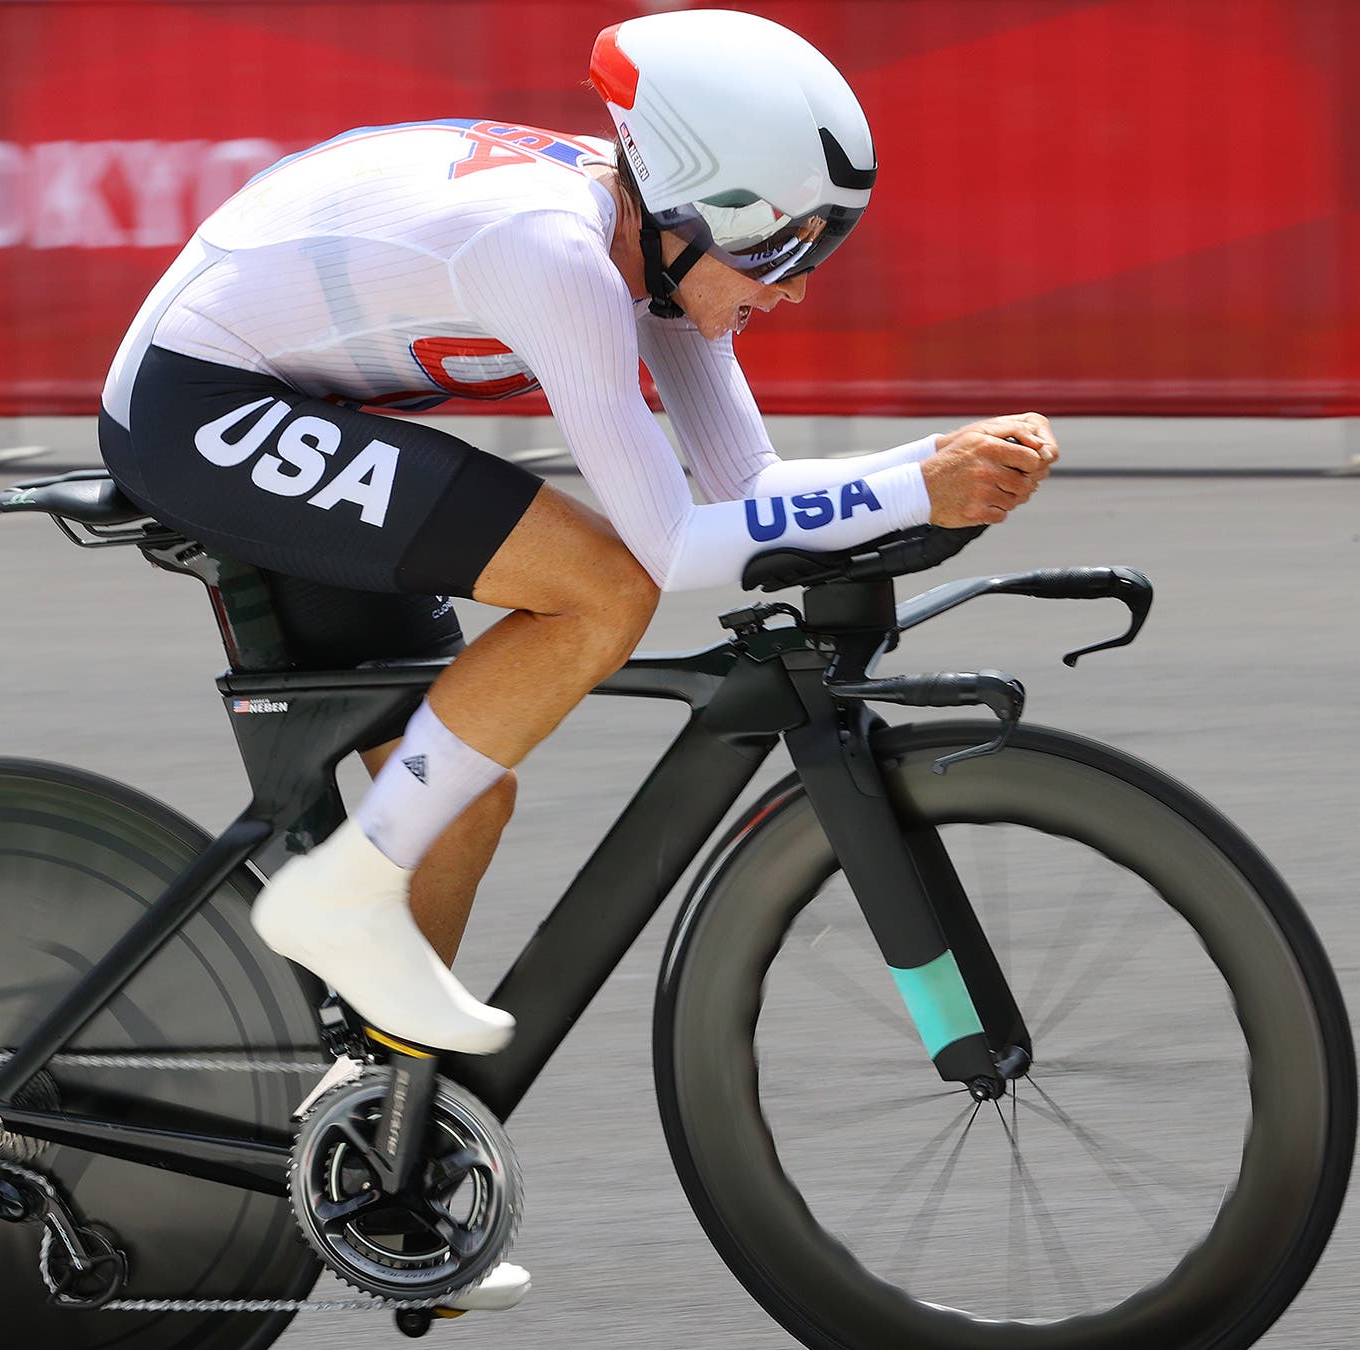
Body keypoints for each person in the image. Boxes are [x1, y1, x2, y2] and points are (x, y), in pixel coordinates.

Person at [97, 8, 1056, 1310]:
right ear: (688, 208)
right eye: (780, 248)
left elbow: (751, 491)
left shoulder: (659, 260)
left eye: (820, 248)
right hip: (197, 402)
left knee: (460, 791)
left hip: (299, 396)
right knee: (597, 586)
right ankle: (340, 896)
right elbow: (669, 547)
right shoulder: (557, 257)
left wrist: (925, 474)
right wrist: (915, 485)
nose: (794, 287)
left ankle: (378, 1145)